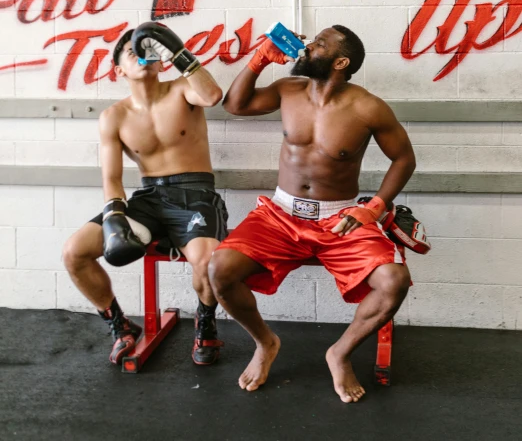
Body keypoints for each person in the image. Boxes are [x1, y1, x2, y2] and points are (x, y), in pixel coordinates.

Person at [209, 25, 416, 403]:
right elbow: (235, 105)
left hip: (340, 219)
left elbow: (404, 158)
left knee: (393, 282)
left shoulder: (368, 107)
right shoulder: (289, 91)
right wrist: (258, 60)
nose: (307, 46)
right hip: (281, 214)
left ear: (340, 62)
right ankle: (265, 342)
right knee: (219, 269)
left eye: (319, 44)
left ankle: (340, 353)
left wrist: (373, 208)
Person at [62, 22, 228, 366]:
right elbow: (111, 176)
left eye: (149, 51)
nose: (142, 56)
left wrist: (180, 54)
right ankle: (120, 325)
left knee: (208, 263)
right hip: (149, 198)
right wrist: (114, 214)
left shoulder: (183, 89)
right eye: (131, 51)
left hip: (195, 194)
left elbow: (213, 96)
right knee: (74, 252)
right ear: (118, 69)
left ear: (161, 61)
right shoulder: (114, 117)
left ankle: (205, 319)